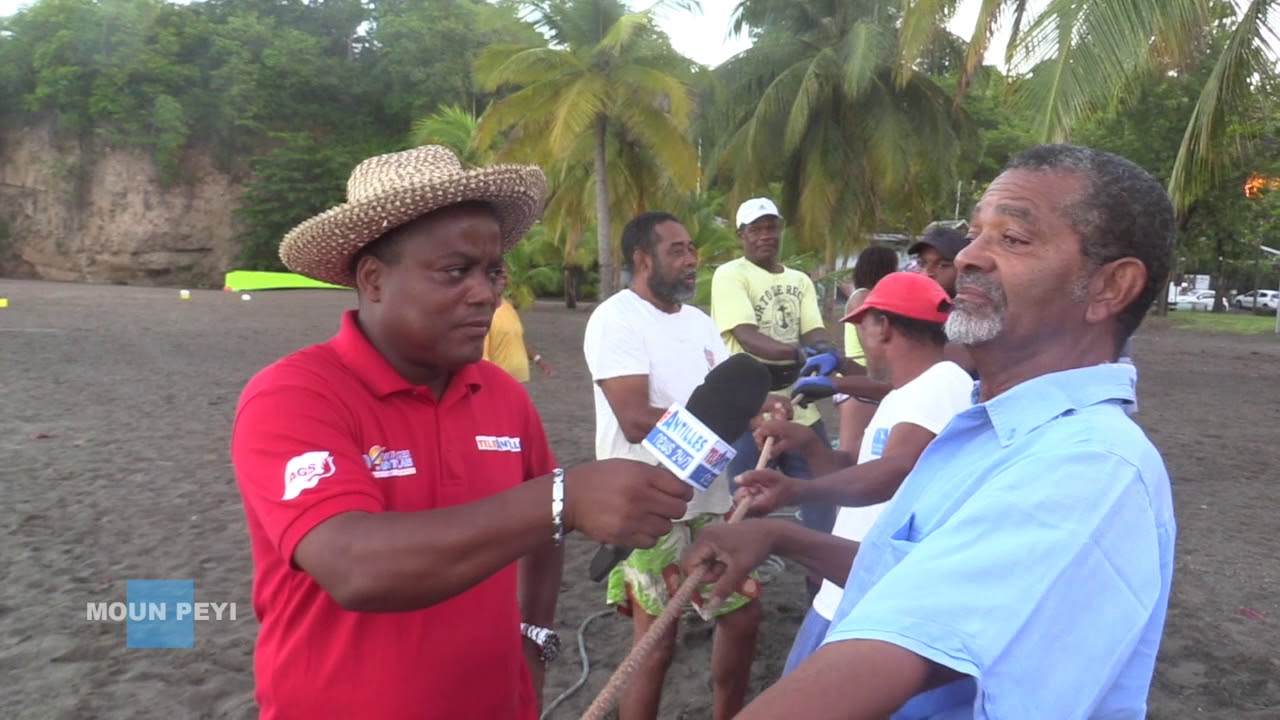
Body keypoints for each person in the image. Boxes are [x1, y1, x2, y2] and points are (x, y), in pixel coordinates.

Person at [683, 144, 1177, 718]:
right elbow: (913, 578)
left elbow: (895, 648)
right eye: (975, 234)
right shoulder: (989, 425)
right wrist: (781, 537)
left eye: (1012, 238)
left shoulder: (1091, 466)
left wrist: (796, 495)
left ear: (1109, 288)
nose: (968, 255)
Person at [230, 145, 696, 720]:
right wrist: (562, 499)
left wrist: (534, 633)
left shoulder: (501, 395)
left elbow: (543, 534)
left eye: (492, 270)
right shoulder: (295, 396)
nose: (486, 292)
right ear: (374, 279)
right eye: (456, 271)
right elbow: (354, 565)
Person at [583, 211, 774, 720]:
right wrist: (715, 441)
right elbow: (634, 418)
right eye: (677, 251)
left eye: (692, 249)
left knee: (743, 614)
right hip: (648, 501)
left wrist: (761, 416)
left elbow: (719, 399)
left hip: (710, 501)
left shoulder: (701, 323)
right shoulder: (616, 318)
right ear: (642, 259)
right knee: (656, 644)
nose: (691, 260)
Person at [710, 197, 842, 597]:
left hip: (797, 405)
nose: (765, 235)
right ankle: (734, 586)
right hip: (748, 408)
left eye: (771, 227)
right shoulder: (731, 274)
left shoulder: (800, 280)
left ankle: (819, 585)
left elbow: (813, 331)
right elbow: (747, 336)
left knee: (823, 494)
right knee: (744, 499)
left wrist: (821, 349)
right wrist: (800, 353)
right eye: (756, 229)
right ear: (742, 235)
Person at [836, 245, 900, 453]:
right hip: (861, 376)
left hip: (870, 378)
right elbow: (874, 344)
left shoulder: (873, 296)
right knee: (853, 451)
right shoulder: (863, 297)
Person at [483, 265, 553, 382]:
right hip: (498, 382)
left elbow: (518, 340)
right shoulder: (484, 313)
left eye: (504, 277)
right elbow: (482, 360)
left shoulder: (508, 307)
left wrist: (538, 360)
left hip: (518, 382)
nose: (502, 280)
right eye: (498, 275)